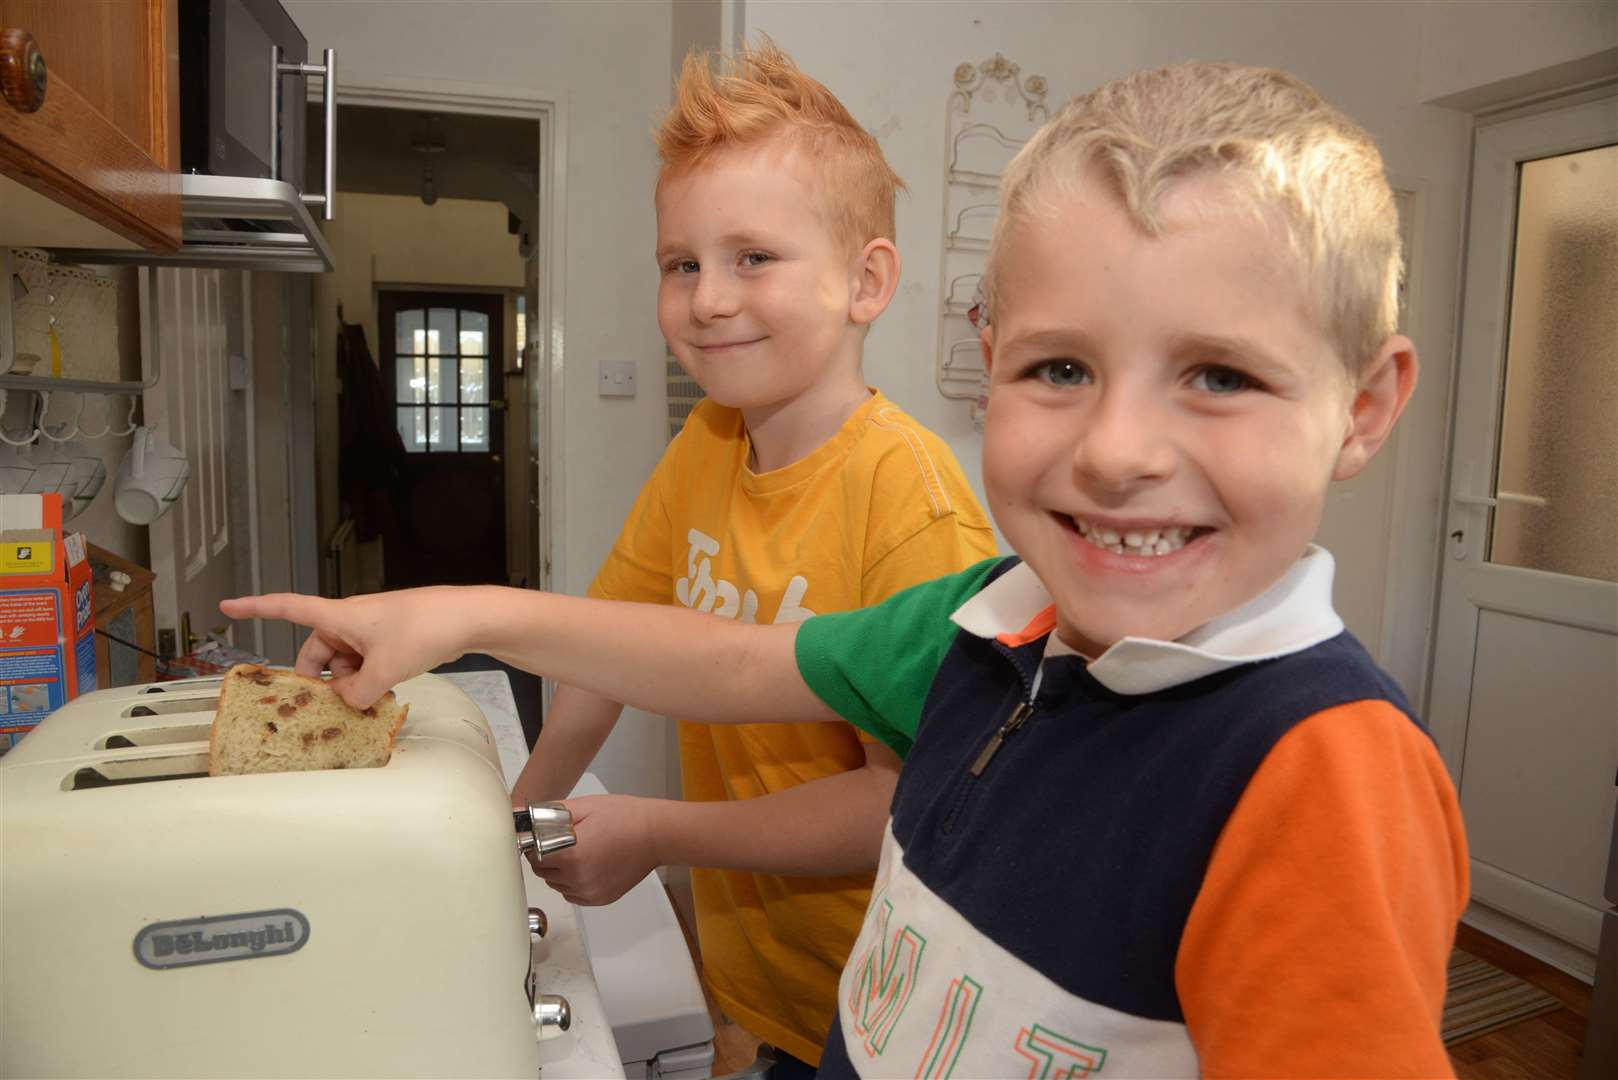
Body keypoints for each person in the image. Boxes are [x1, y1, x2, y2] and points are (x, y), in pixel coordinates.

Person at [225, 59, 1468, 1078]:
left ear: (1362, 408)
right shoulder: (995, 620)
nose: (1119, 453)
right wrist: (456, 623)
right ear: (992, 355)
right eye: (1059, 369)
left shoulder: (1319, 776)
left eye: (1219, 377)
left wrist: (657, 828)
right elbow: (726, 661)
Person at [542, 38, 997, 1075]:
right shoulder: (702, 444)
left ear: (864, 281)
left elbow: (904, 799)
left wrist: (657, 833)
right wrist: (514, 822)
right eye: (681, 263)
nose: (707, 298)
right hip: (756, 972)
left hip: (883, 1001)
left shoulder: (909, 503)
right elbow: (602, 652)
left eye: (752, 257)